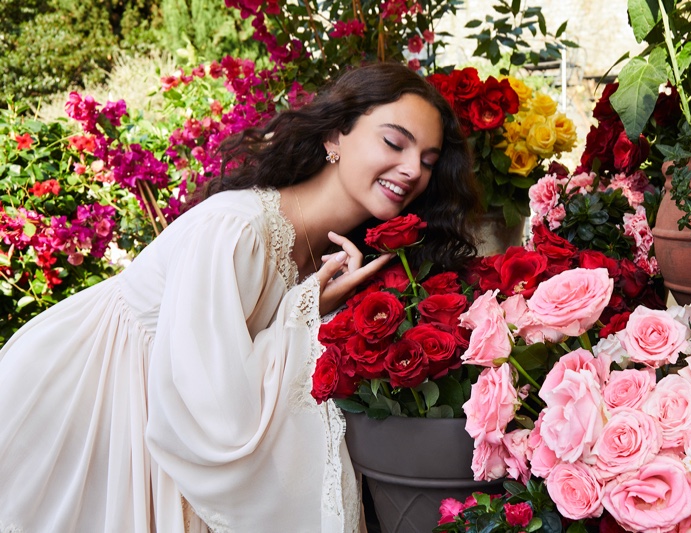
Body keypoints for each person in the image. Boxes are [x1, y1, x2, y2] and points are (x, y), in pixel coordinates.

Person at [0, 62, 480, 532]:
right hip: (85, 395)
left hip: (156, 402)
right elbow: (213, 407)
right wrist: (310, 312)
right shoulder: (235, 229)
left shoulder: (329, 256)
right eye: (394, 143)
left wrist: (321, 305)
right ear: (334, 136)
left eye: (429, 161)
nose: (412, 169)